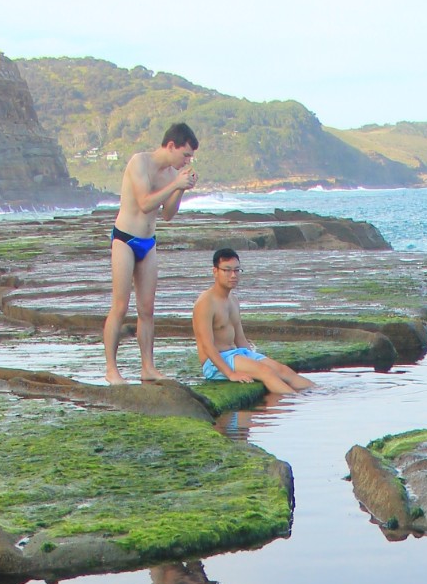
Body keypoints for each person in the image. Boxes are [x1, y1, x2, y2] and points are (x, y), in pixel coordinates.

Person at [104, 122, 200, 385]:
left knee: (147, 309)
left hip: (148, 242)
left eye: (190, 157)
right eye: (185, 155)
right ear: (171, 145)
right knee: (120, 306)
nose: (187, 161)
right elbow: (146, 203)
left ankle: (148, 367)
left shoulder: (171, 175)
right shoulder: (140, 163)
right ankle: (112, 369)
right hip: (125, 239)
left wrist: (180, 187)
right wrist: (175, 184)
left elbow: (167, 215)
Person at [191, 249, 314, 396]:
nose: (233, 275)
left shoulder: (233, 300)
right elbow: (207, 345)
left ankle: (321, 396)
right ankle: (299, 401)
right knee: (266, 372)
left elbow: (240, 338)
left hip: (237, 354)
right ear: (215, 271)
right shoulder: (205, 302)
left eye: (237, 270)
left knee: (283, 370)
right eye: (227, 270)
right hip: (215, 363)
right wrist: (230, 374)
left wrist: (254, 359)